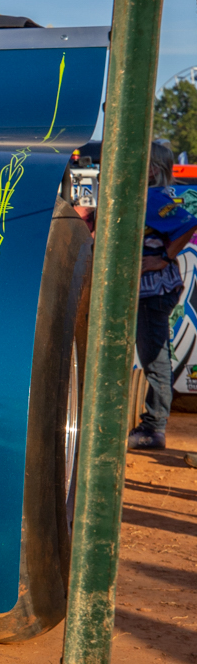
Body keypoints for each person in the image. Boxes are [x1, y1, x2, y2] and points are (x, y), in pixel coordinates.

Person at [129, 142, 197, 450]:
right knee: (152, 357)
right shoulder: (151, 197)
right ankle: (151, 423)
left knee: (155, 360)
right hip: (154, 290)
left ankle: (153, 427)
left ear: (153, 170)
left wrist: (164, 257)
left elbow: (189, 223)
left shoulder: (151, 198)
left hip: (153, 290)